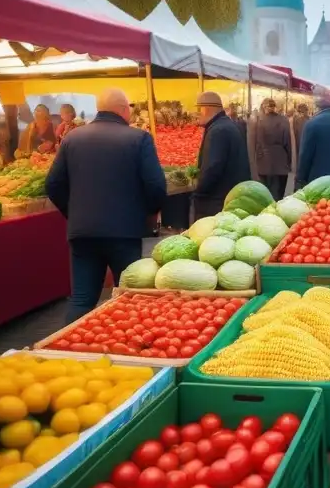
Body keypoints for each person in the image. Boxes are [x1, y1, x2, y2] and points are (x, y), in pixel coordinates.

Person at [45, 88, 167, 322]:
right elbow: (156, 186)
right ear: (122, 109)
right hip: (125, 231)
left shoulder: (72, 138)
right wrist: (149, 214)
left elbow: (53, 184)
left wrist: (73, 213)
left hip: (82, 232)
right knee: (129, 296)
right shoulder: (138, 138)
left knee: (82, 299)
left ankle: (69, 352)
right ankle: (126, 348)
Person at [193, 92, 251, 220]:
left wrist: (198, 190)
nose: (195, 113)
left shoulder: (217, 131)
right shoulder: (227, 125)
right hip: (229, 195)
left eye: (198, 109)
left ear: (206, 109)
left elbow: (212, 167)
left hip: (216, 201)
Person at [253, 98, 291, 201]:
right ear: (275, 107)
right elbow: (287, 142)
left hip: (263, 162)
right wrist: (289, 161)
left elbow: (256, 142)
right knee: (279, 194)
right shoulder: (283, 120)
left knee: (266, 194)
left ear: (264, 107)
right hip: (280, 161)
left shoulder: (258, 121)